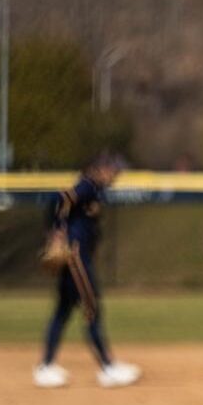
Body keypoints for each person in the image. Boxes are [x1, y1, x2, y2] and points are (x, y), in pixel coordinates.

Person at [33, 152, 141, 388]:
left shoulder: (94, 188)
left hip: (78, 256)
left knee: (63, 311)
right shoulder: (88, 185)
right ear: (101, 168)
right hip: (75, 257)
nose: (116, 176)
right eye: (114, 171)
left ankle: (46, 367)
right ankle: (107, 367)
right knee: (92, 308)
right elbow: (59, 199)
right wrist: (57, 232)